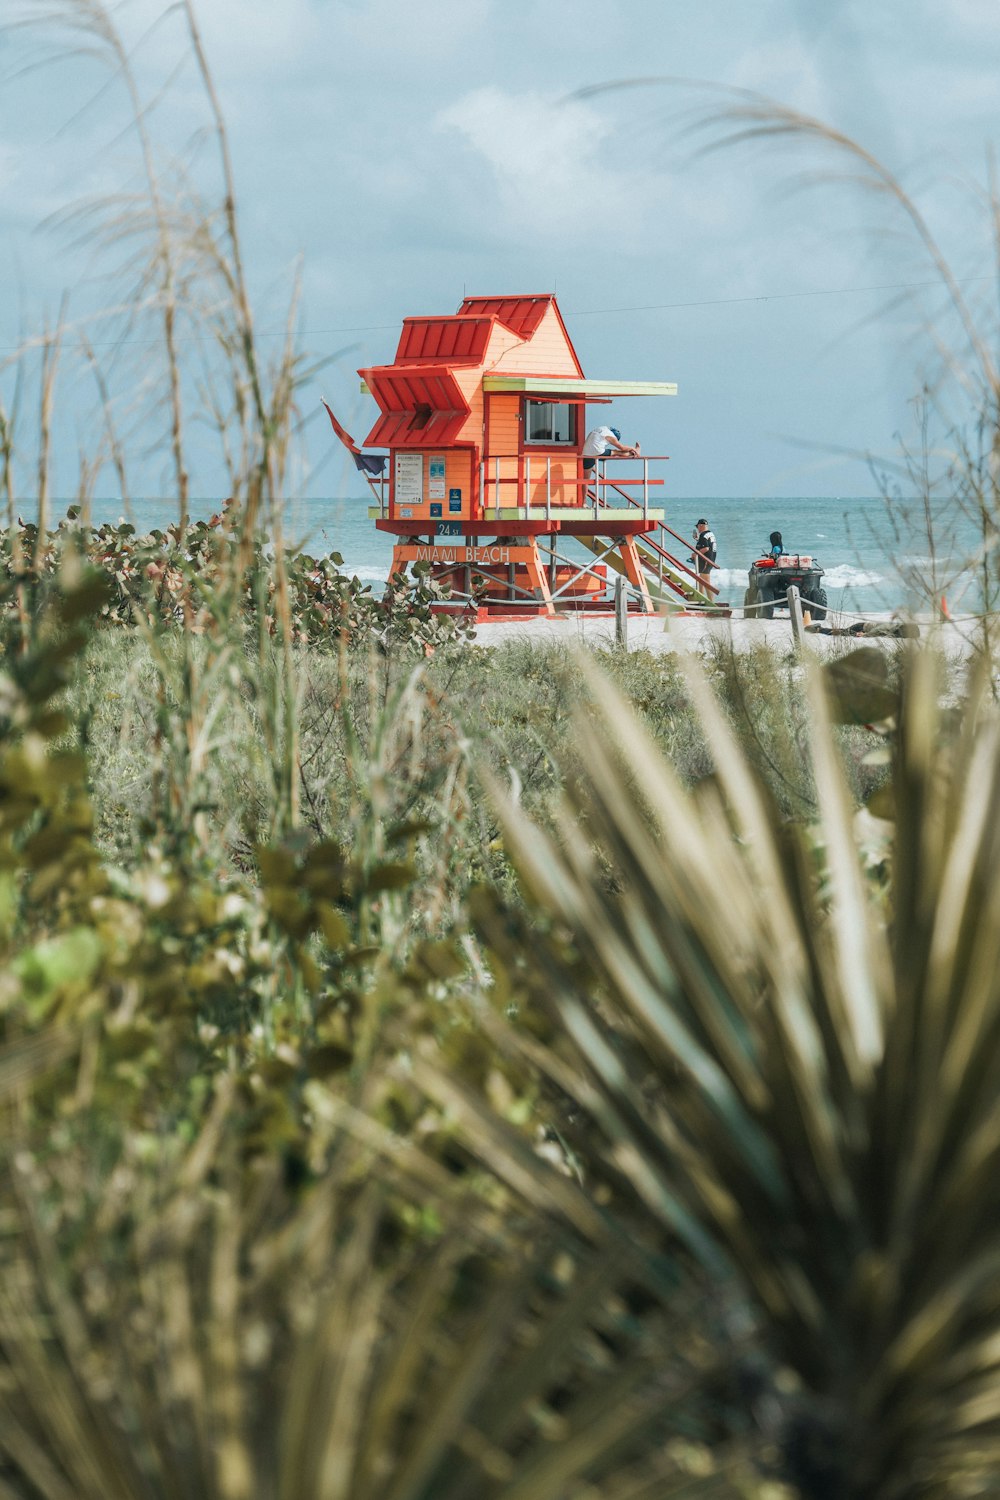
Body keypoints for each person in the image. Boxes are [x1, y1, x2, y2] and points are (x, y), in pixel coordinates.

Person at [581, 425, 640, 494]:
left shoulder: (602, 429)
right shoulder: (611, 436)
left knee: (585, 481)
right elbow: (622, 447)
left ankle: (584, 503)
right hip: (598, 452)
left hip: (586, 454)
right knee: (616, 452)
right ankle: (634, 452)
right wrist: (633, 448)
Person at [690, 518, 717, 585]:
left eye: (697, 526)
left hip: (705, 561)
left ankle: (709, 595)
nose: (697, 528)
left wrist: (695, 554)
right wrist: (697, 539)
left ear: (701, 526)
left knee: (706, 584)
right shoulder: (710, 533)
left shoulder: (703, 535)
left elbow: (706, 548)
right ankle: (701, 594)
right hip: (711, 560)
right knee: (701, 583)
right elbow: (708, 544)